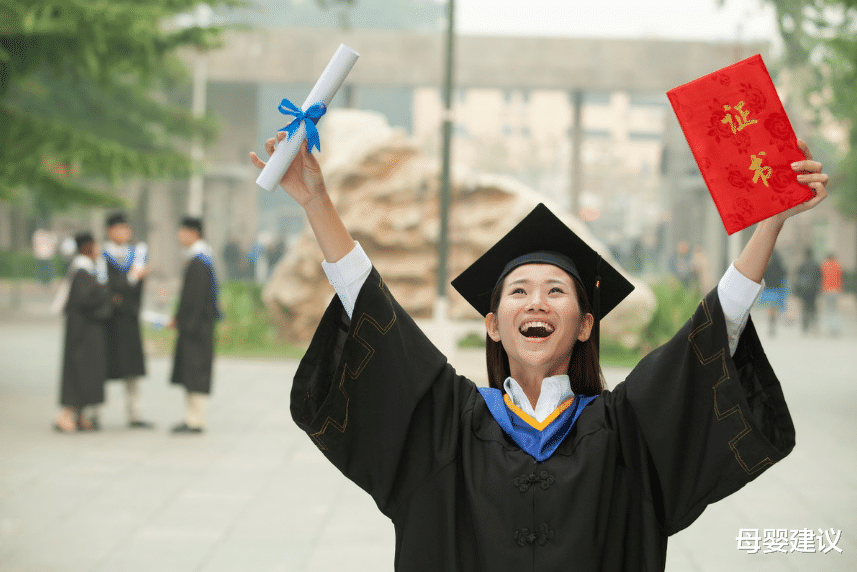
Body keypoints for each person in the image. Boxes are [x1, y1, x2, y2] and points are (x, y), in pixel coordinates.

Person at [251, 134, 828, 571]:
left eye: (557, 292)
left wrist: (770, 225)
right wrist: (317, 202)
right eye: (519, 292)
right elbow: (375, 315)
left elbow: (709, 337)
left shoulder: (626, 432)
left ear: (584, 326)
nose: (537, 303)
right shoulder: (445, 426)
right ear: (493, 325)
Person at [54, 233, 112, 433]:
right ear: (87, 247)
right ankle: (66, 415)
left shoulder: (86, 269)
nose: (98, 249)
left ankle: (80, 415)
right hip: (81, 333)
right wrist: (106, 294)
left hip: (87, 331)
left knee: (87, 371)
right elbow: (87, 300)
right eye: (95, 246)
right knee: (78, 371)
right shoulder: (81, 271)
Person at [169, 217, 220, 434]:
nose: (179, 236)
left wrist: (184, 322)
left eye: (182, 232)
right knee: (191, 371)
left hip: (197, 328)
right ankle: (191, 418)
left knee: (196, 371)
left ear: (193, 233)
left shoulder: (199, 261)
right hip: (195, 326)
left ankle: (196, 420)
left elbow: (196, 299)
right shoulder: (198, 259)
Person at [103, 212, 153, 428]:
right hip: (109, 320)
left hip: (130, 319)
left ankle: (135, 413)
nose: (124, 233)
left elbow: (131, 289)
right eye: (119, 228)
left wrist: (128, 286)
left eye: (126, 229)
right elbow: (108, 288)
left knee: (132, 369)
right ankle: (92, 412)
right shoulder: (102, 257)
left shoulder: (136, 256)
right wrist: (131, 279)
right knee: (102, 365)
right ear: (109, 231)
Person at [758, 249, 787, 336]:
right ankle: (773, 323)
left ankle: (771, 323)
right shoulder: (780, 266)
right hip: (777, 290)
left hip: (768, 289)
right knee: (774, 308)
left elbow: (763, 276)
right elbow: (784, 276)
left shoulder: (767, 265)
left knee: (769, 308)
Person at [794, 247, 822, 334]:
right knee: (813, 307)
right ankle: (814, 325)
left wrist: (797, 290)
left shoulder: (802, 265)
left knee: (804, 308)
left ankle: (805, 326)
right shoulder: (816, 265)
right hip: (813, 290)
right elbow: (819, 278)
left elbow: (798, 279)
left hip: (804, 290)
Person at [820, 252, 843, 336]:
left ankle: (830, 328)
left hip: (826, 290)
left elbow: (821, 277)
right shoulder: (838, 265)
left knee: (828, 310)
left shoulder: (824, 265)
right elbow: (840, 278)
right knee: (835, 310)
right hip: (836, 290)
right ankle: (835, 328)